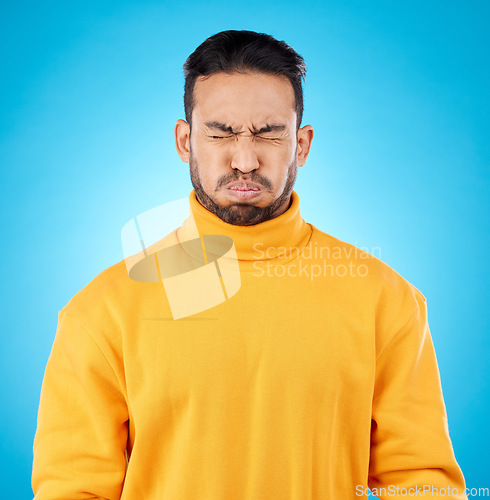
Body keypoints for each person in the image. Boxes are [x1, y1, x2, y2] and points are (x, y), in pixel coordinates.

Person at [32, 30, 468, 499]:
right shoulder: (103, 312)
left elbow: (422, 483)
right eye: (220, 133)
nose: (244, 159)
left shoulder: (385, 300)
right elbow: (72, 490)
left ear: (301, 144)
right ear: (185, 141)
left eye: (269, 133)